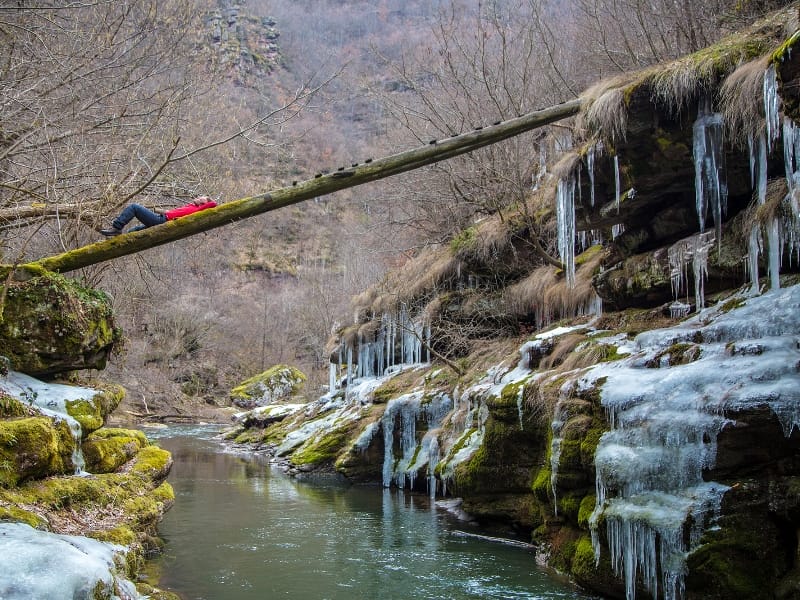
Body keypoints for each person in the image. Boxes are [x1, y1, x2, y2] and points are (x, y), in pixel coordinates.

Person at [100, 196, 217, 236]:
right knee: (133, 232)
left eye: (201, 198)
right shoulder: (191, 206)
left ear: (204, 204)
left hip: (162, 221)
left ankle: (117, 228)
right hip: (162, 219)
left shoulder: (197, 210)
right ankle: (117, 237)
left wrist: (206, 200)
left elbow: (213, 204)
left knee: (134, 207)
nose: (198, 198)